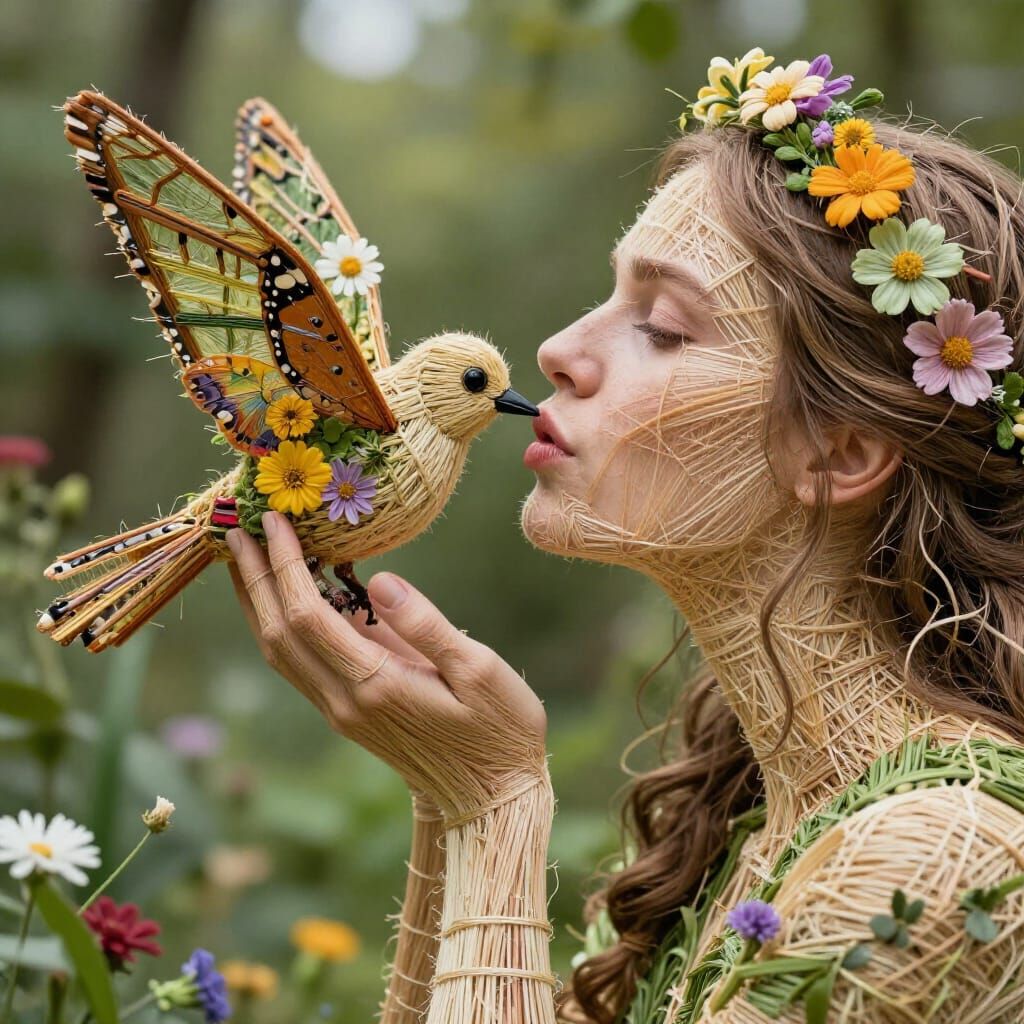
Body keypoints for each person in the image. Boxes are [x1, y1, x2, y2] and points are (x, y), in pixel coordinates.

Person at [224, 50, 1024, 1024]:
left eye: (662, 325)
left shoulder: (939, 865)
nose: (559, 349)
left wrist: (496, 807)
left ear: (839, 451)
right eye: (609, 296)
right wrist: (447, 795)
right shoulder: (737, 827)